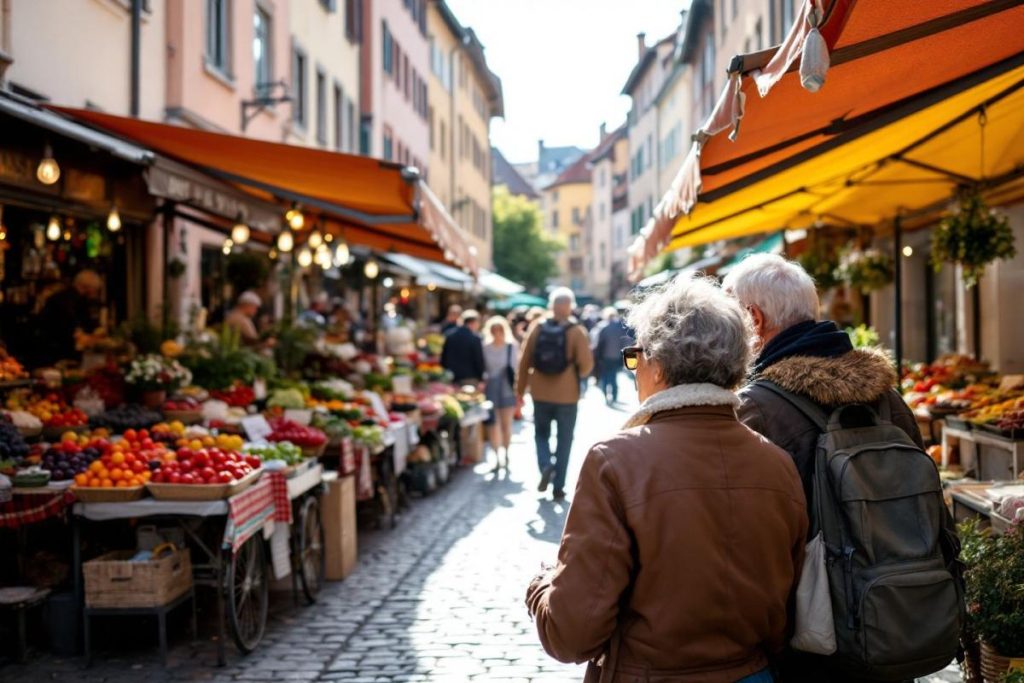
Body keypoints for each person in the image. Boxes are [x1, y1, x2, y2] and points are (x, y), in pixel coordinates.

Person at [525, 275, 806, 683]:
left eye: (636, 356)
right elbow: (787, 611)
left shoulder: (614, 461)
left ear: (657, 365)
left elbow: (571, 634)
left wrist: (541, 586)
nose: (634, 369)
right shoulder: (777, 463)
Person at [723, 254, 957, 683]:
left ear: (753, 319)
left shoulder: (755, 408)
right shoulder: (888, 400)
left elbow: (747, 538)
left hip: (808, 639)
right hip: (892, 617)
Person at [516, 287, 594, 500]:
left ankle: (545, 466)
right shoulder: (576, 331)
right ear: (570, 307)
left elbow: (524, 360)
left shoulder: (537, 327)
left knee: (541, 434)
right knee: (564, 439)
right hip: (567, 395)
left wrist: (520, 390)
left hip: (540, 392)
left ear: (551, 305)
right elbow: (586, 366)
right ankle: (559, 486)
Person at [37, 269, 103, 365]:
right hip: (58, 351)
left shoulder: (64, 297)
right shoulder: (68, 300)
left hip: (52, 348)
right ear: (87, 287)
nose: (95, 294)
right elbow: (72, 325)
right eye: (95, 290)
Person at [482, 316, 518, 472]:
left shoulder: (511, 346)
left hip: (507, 388)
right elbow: (483, 369)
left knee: (506, 425)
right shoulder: (485, 348)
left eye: (500, 330)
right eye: (494, 330)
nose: (497, 333)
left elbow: (515, 368)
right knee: (492, 424)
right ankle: (496, 456)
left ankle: (507, 453)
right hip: (490, 389)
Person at [590, 307, 632, 405]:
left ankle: (606, 396)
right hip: (616, 356)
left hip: (604, 356)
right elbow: (625, 342)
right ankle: (614, 397)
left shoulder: (602, 327)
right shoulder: (619, 327)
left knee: (605, 377)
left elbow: (596, 343)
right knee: (613, 376)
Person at [440, 309, 485, 384]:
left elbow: (443, 358)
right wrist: (481, 378)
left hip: (451, 378)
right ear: (473, 322)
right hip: (470, 378)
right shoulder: (475, 338)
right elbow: (478, 360)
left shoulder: (449, 335)